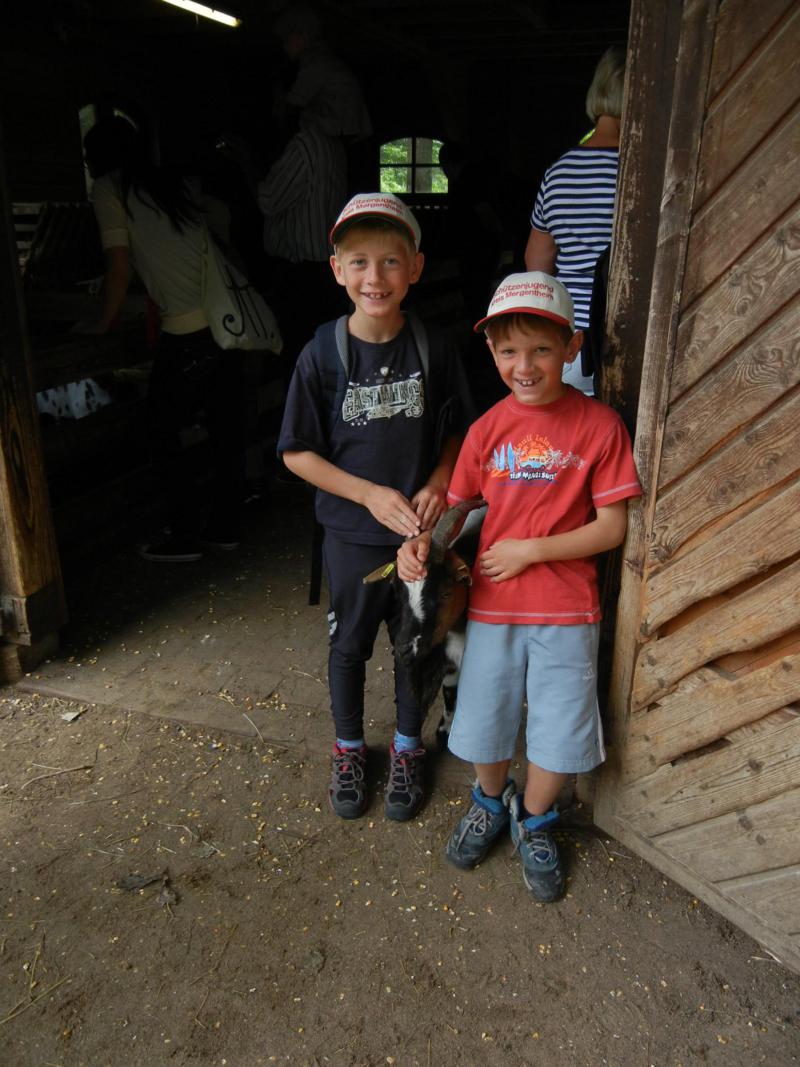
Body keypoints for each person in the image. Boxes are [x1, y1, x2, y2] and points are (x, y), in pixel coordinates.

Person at [397, 272, 641, 902]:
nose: (524, 366)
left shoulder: (599, 427)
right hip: (495, 606)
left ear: (572, 346)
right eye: (509, 351)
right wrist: (427, 545)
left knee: (560, 725)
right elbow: (457, 509)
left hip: (566, 607)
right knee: (484, 716)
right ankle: (488, 800)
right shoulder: (486, 430)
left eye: (541, 349)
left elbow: (611, 527)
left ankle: (534, 819)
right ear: (491, 351)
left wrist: (532, 550)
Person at [277, 192, 471, 821]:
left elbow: (459, 431)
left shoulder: (434, 347)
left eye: (390, 261)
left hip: (420, 535)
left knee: (416, 641)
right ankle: (350, 748)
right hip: (351, 535)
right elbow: (296, 452)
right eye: (359, 262)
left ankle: (409, 749)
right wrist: (365, 492)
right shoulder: (321, 355)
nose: (375, 277)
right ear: (337, 270)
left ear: (415, 267)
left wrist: (439, 480)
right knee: (349, 644)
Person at [80, 116, 247, 561]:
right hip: (224, 323)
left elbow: (119, 266)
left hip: (187, 330)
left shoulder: (109, 189)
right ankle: (225, 526)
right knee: (224, 429)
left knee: (159, 431)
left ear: (99, 158)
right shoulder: (170, 183)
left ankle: (184, 533)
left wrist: (101, 324)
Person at [524, 45, 626, 395]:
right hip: (633, 333)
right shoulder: (643, 174)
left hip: (571, 338)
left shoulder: (557, 173)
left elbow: (537, 265)